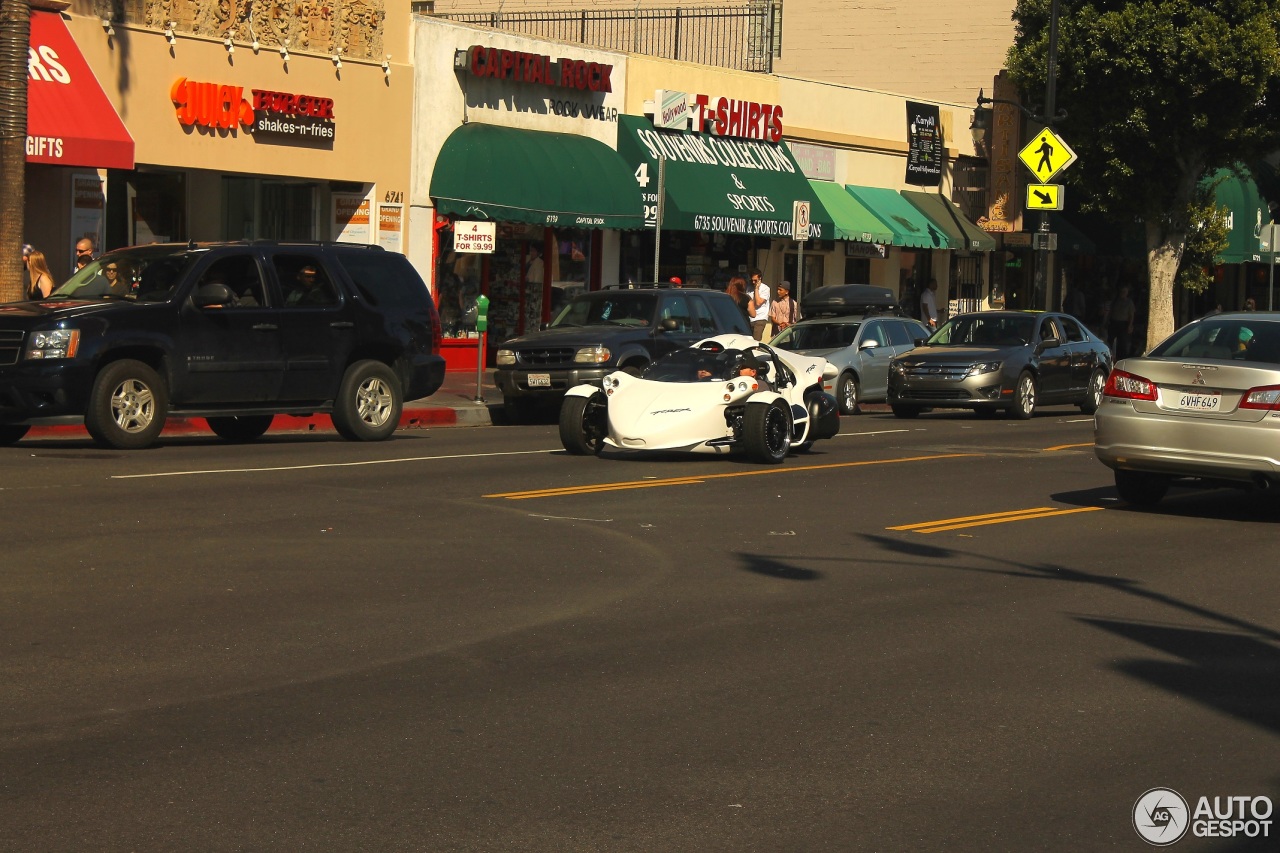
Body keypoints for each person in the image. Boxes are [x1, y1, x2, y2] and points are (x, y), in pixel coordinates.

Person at [1107, 286, 1135, 358]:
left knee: (1122, 342)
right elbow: (1110, 311)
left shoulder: (1129, 302)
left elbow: (1131, 315)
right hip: (1114, 322)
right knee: (1111, 340)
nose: (1122, 293)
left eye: (1124, 292)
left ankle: (1122, 357)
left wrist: (1130, 325)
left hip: (1123, 324)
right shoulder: (1116, 301)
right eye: (1121, 292)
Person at [747, 267, 770, 340]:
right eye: (752, 280)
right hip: (750, 318)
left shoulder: (765, 288)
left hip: (760, 318)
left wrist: (756, 289)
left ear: (760, 279)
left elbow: (758, 303)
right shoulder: (749, 288)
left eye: (755, 280)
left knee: (756, 340)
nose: (753, 282)